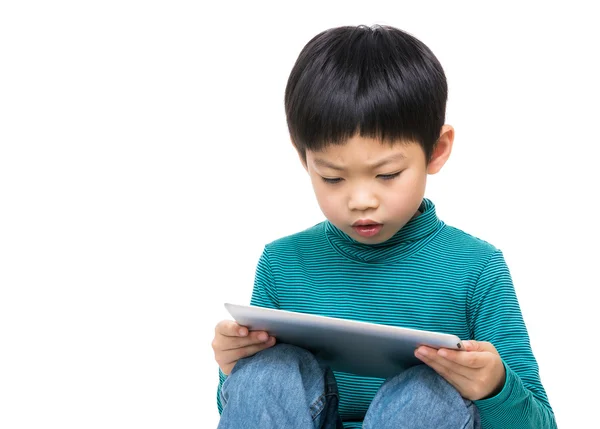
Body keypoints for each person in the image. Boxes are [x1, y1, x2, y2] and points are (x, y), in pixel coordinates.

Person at [211, 24, 556, 429]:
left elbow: (541, 424)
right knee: (267, 370)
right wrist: (233, 367)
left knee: (426, 393)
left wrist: (495, 386)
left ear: (437, 150)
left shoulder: (476, 268)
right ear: (304, 158)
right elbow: (254, 410)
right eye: (333, 178)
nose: (361, 201)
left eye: (388, 174)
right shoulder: (282, 263)